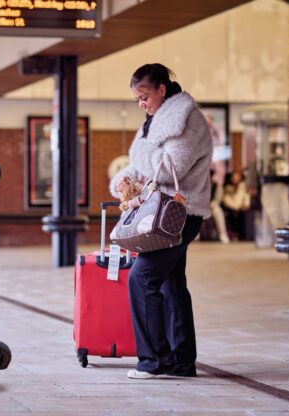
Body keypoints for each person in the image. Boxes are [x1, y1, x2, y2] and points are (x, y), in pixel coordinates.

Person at [109, 63, 212, 379]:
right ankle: (181, 361)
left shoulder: (187, 120)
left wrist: (137, 163)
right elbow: (143, 165)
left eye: (144, 96)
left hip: (179, 213)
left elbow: (169, 168)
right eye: (137, 99)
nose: (141, 103)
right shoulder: (154, 122)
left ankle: (154, 360)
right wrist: (125, 177)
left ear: (162, 90)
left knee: (143, 278)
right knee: (171, 284)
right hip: (166, 212)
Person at [222, 171, 251, 241]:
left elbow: (246, 196)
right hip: (231, 208)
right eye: (234, 178)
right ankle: (234, 234)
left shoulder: (243, 187)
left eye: (237, 178)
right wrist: (235, 207)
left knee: (241, 215)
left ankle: (241, 235)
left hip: (241, 207)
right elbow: (226, 200)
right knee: (232, 215)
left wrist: (246, 204)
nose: (235, 179)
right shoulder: (228, 188)